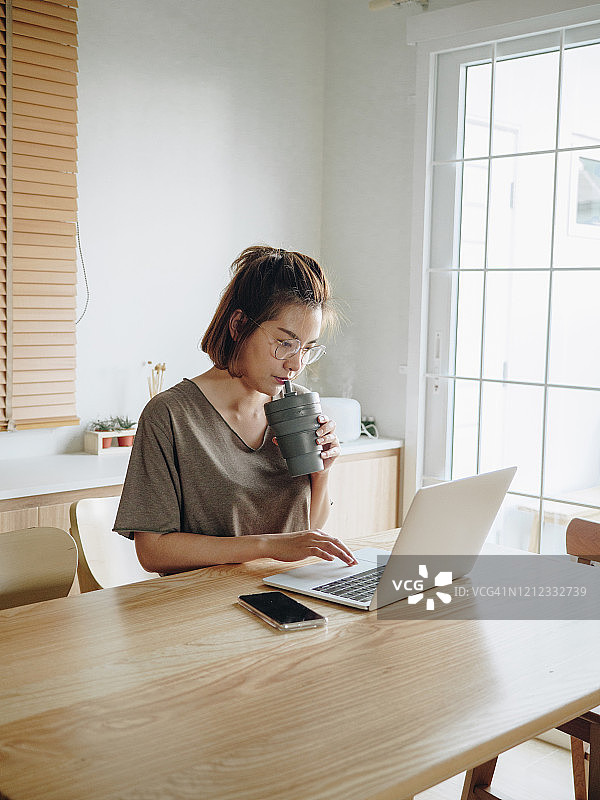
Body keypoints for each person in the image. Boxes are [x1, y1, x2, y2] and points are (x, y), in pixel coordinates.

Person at [113, 245, 357, 574]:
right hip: (203, 606)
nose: (296, 363)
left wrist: (322, 474)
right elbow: (153, 550)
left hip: (283, 589)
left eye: (307, 349)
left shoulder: (296, 405)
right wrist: (267, 545)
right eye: (285, 343)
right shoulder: (170, 415)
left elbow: (306, 532)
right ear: (239, 325)